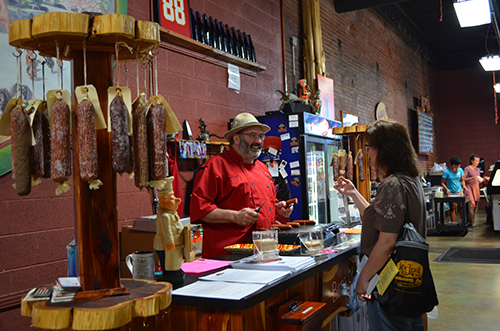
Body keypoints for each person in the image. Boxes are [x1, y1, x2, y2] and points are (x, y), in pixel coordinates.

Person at [334, 119, 426, 331]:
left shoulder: (391, 185)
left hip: (390, 284)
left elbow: (386, 242)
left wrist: (363, 278)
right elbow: (380, 218)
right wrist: (353, 193)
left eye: (369, 147)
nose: (367, 153)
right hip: (410, 280)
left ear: (384, 150)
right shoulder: (410, 179)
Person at [190, 113, 294, 259]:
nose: (258, 141)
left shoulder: (263, 169)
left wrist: (279, 209)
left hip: (264, 251)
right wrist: (235, 216)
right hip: (227, 255)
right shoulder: (215, 166)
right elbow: (199, 210)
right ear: (237, 138)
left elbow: (265, 203)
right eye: (252, 135)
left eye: (261, 136)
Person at [154, 176, 193, 284]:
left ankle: (174, 270)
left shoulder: (172, 214)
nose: (177, 200)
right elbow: (167, 232)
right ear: (164, 200)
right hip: (165, 245)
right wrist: (170, 242)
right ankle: (169, 273)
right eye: (172, 199)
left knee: (174, 261)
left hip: (175, 245)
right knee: (167, 263)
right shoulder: (165, 216)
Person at [464, 154, 490, 229]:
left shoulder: (478, 170)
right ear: (472, 161)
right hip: (469, 188)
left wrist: (484, 179)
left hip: (476, 188)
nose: (477, 162)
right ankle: (472, 223)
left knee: (475, 207)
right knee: (472, 205)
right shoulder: (467, 169)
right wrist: (472, 177)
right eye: (476, 161)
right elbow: (463, 179)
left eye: (478, 161)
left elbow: (479, 180)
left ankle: (471, 221)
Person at [441, 156, 466, 223]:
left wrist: (464, 186)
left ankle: (464, 223)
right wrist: (447, 189)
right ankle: (453, 222)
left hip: (459, 191)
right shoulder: (446, 172)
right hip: (451, 192)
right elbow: (442, 183)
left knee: (461, 207)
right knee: (452, 208)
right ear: (454, 165)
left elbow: (463, 180)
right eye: (458, 165)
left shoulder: (460, 170)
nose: (460, 166)